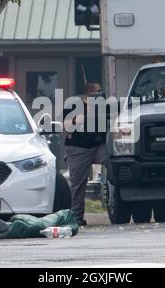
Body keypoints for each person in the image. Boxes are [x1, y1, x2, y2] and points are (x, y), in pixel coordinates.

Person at [63, 82, 107, 226]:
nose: (101, 94)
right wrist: (78, 119)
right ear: (89, 94)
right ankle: (76, 217)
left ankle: (115, 192)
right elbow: (67, 126)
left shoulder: (103, 106)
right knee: (78, 184)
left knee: (116, 159)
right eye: (98, 92)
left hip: (98, 145)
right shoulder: (74, 105)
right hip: (78, 148)